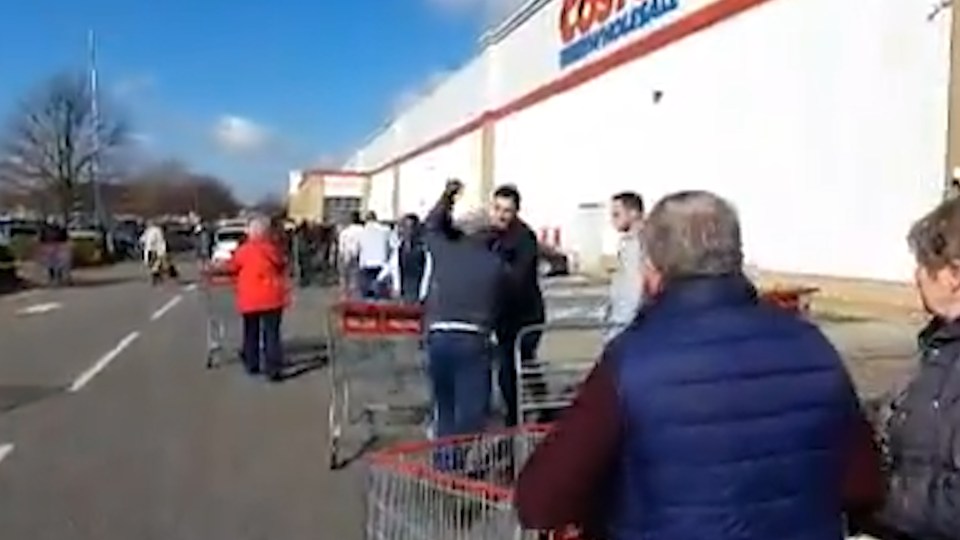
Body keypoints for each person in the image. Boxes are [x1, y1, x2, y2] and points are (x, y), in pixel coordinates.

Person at [515, 190, 884, 539]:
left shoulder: (630, 363)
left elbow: (541, 501)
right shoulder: (812, 346)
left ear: (652, 269)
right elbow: (864, 484)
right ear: (735, 257)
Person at [858, 195, 960, 540]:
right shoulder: (940, 346)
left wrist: (872, 496)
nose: (916, 277)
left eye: (923, 265)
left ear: (954, 274)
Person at [422, 180, 505, 452]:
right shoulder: (495, 265)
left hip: (439, 335)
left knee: (444, 405)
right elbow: (504, 303)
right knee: (471, 409)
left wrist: (447, 196)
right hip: (473, 338)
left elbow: (431, 225)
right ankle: (459, 461)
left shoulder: (444, 250)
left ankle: (445, 465)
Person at [481, 184, 546, 426]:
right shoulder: (488, 236)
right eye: (497, 208)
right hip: (503, 315)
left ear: (516, 211)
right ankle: (535, 406)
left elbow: (518, 279)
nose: (501, 215)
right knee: (519, 364)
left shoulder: (524, 238)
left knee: (513, 365)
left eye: (507, 210)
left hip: (526, 314)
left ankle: (515, 417)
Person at [221, 215, 289, 382]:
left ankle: (252, 363)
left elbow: (232, 266)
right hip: (272, 296)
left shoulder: (243, 250)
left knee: (251, 332)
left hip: (250, 297)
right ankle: (273, 368)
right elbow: (282, 263)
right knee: (271, 334)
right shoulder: (273, 250)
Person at [605, 191, 645, 342]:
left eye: (616, 214)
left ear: (633, 213)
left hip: (628, 321)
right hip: (620, 319)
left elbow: (635, 286)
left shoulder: (642, 244)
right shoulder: (627, 243)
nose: (612, 221)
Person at [378, 213, 430, 303]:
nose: (406, 231)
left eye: (410, 227)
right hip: (402, 294)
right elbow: (390, 267)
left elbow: (428, 273)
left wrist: (423, 294)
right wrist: (379, 281)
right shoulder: (398, 249)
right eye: (404, 227)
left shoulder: (423, 251)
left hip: (418, 294)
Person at [357, 211, 392, 299]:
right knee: (380, 293)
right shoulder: (385, 230)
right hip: (381, 263)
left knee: (366, 294)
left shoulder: (361, 232)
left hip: (366, 264)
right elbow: (391, 246)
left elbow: (358, 248)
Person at [337, 211, 364, 296]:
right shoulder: (363, 230)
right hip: (358, 255)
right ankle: (354, 296)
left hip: (346, 255)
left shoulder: (345, 231)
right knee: (355, 278)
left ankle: (344, 295)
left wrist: (342, 256)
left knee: (344, 278)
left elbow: (341, 246)